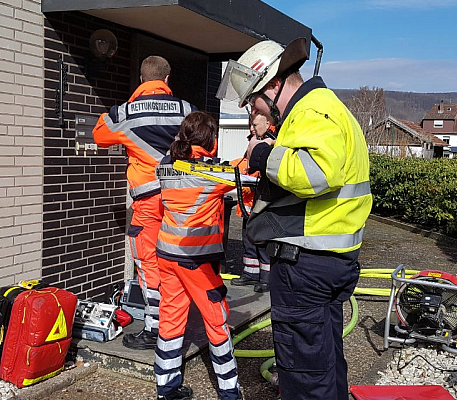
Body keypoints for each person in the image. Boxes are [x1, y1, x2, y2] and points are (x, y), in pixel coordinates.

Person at [218, 38, 373, 400]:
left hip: (307, 265)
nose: (254, 109)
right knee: (325, 361)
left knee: (304, 374)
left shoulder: (311, 111)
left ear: (272, 84)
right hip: (329, 261)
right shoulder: (326, 108)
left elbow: (316, 173)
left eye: (253, 99)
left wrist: (260, 155)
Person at [93, 56, 196, 350]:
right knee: (179, 262)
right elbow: (207, 144)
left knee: (149, 265)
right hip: (180, 201)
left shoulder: (124, 113)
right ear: (166, 80)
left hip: (148, 204)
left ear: (141, 80)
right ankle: (177, 322)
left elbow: (99, 136)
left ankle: (155, 329)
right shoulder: (187, 110)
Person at [154, 111, 241, 400]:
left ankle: (166, 389)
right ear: (210, 142)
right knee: (217, 322)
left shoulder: (164, 167)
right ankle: (230, 392)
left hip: (166, 255)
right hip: (197, 261)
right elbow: (243, 176)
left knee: (170, 319)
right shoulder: (209, 174)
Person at [230, 113, 275, 292]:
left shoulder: (270, 143)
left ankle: (266, 278)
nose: (251, 128)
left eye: (255, 125)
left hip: (261, 204)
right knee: (248, 242)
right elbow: (245, 164)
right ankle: (251, 274)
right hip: (249, 205)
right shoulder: (257, 141)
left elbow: (259, 169)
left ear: (268, 123)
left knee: (262, 244)